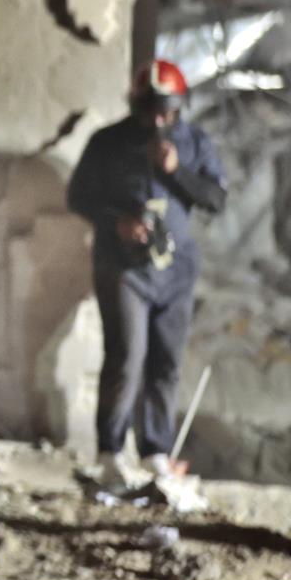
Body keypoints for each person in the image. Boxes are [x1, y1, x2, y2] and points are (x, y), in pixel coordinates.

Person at [66, 59, 228, 480]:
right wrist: (116, 220)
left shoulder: (193, 142)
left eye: (166, 109)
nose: (157, 118)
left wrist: (177, 172)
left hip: (175, 272)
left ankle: (156, 450)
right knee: (126, 357)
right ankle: (110, 451)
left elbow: (215, 199)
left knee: (166, 362)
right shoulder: (107, 143)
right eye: (149, 108)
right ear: (135, 104)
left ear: (179, 106)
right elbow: (78, 196)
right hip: (124, 270)